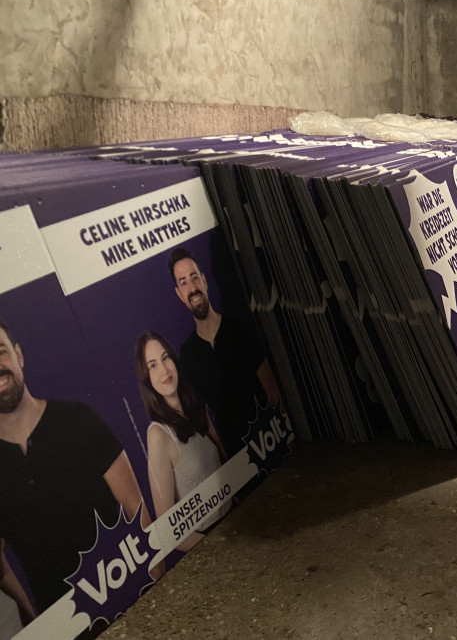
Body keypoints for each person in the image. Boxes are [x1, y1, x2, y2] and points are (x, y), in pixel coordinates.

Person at [0, 319, 156, 617]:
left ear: (18, 354)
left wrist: (159, 583)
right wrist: (34, 619)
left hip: (133, 602)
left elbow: (138, 511)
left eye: (0, 351)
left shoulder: (78, 420)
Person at [168, 248, 280, 458]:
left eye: (194, 277)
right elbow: (203, 416)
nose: (192, 287)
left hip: (273, 445)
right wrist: (225, 457)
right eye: (183, 282)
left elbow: (271, 387)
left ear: (204, 280)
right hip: (238, 461)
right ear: (179, 294)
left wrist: (286, 441)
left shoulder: (238, 328)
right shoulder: (188, 355)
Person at [135, 331, 231, 552]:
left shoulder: (197, 408)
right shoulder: (158, 435)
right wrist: (217, 549)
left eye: (165, 357)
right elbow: (168, 532)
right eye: (152, 365)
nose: (164, 370)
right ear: (146, 378)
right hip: (212, 541)